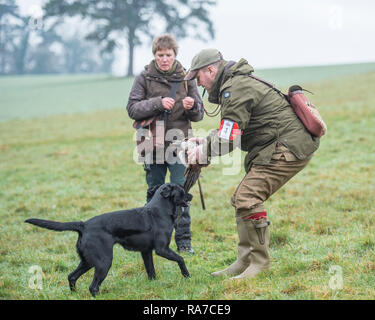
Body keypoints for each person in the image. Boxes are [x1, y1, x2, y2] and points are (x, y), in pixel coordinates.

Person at [184, 48, 320, 278]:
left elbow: (229, 138)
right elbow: (232, 128)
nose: (199, 86)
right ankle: (245, 260)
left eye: (198, 79)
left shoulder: (234, 88)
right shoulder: (236, 83)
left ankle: (259, 264)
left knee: (248, 197)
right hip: (281, 143)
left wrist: (200, 153)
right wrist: (204, 143)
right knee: (242, 198)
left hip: (287, 146)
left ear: (210, 70)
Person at [127, 34, 204, 254]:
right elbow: (132, 108)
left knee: (180, 191)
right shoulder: (144, 77)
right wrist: (157, 103)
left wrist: (192, 107)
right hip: (151, 144)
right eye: (160, 55)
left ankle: (183, 242)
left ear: (174, 55)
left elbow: (198, 115)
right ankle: (151, 241)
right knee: (154, 194)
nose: (164, 59)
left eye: (168, 55)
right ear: (154, 55)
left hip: (181, 145)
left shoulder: (187, 78)